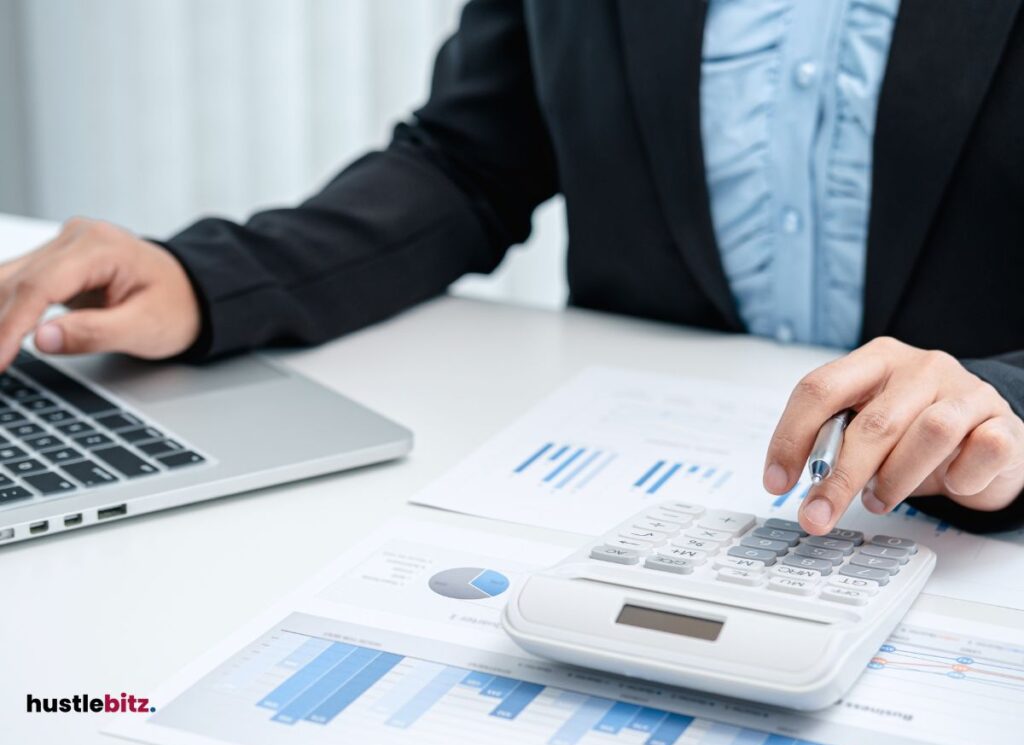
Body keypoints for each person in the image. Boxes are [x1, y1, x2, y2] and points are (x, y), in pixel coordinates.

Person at [3, 0, 1023, 535]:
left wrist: (1005, 406)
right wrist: (207, 280)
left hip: (959, 538)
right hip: (627, 493)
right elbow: (468, 163)